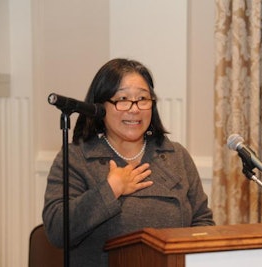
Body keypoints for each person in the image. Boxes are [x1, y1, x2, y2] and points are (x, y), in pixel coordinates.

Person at [42, 58, 215, 266]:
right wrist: (110, 190)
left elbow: (202, 222)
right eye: (122, 99)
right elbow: (57, 230)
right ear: (100, 106)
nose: (134, 109)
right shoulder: (77, 157)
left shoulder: (175, 155)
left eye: (143, 98)